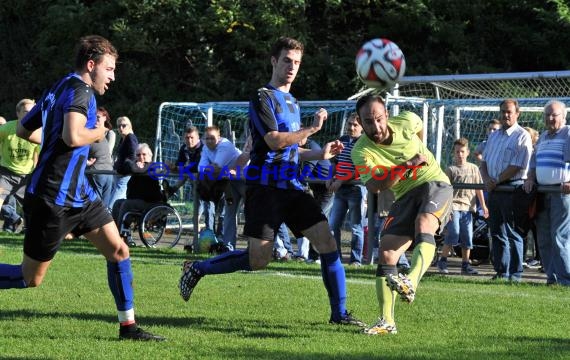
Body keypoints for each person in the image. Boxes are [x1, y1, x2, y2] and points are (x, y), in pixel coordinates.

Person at [179, 36, 364, 326]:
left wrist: (319, 153)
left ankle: (339, 314)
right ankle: (198, 268)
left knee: (327, 242)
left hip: (291, 187)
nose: (292, 67)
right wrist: (312, 128)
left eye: (297, 62)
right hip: (265, 188)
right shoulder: (262, 97)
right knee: (259, 259)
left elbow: (292, 149)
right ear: (274, 61)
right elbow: (274, 141)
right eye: (287, 61)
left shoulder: (293, 102)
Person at [0, 35, 163, 341]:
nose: (113, 77)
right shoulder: (80, 91)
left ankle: (128, 327)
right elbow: (74, 136)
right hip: (52, 197)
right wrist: (99, 131)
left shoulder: (58, 86)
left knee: (118, 250)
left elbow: (24, 129)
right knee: (30, 278)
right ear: (92, 65)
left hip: (82, 194)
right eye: (110, 69)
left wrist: (53, 141)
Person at [351, 95, 453, 335]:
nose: (376, 127)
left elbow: (419, 129)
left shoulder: (407, 120)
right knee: (386, 251)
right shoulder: (361, 151)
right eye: (369, 122)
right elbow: (376, 186)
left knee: (424, 222)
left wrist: (420, 153)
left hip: (434, 182)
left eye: (379, 119)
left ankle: (412, 281)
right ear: (360, 122)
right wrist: (407, 165)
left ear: (387, 115)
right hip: (404, 193)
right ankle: (387, 321)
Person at [480, 98, 533, 282]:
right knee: (496, 232)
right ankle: (502, 272)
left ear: (517, 113)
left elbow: (518, 165)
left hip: (513, 189)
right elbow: (483, 162)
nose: (506, 115)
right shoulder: (494, 136)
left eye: (509, 111)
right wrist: (487, 180)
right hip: (495, 190)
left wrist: (496, 180)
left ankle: (516, 274)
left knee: (512, 232)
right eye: (503, 111)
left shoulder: (522, 135)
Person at [523, 100, 570, 285]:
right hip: (542, 193)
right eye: (547, 115)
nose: (550, 118)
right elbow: (533, 162)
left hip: (562, 193)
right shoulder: (542, 136)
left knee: (560, 237)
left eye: (554, 115)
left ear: (563, 117)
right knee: (543, 238)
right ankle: (552, 278)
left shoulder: (568, 133)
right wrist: (530, 178)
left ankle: (566, 280)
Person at [437, 138, 488, 275]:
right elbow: (445, 190)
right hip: (453, 206)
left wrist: (483, 206)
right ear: (454, 153)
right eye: (457, 152)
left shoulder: (473, 168)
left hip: (467, 208)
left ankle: (465, 264)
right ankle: (442, 259)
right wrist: (446, 208)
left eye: (462, 151)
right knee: (454, 232)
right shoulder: (450, 170)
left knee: (467, 236)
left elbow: (479, 189)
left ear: (468, 152)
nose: (460, 154)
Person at [326, 113, 367, 266]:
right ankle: (335, 258)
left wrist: (341, 180)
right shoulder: (342, 140)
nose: (351, 127)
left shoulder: (364, 142)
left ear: (362, 127)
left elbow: (361, 169)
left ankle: (355, 260)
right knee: (333, 226)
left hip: (356, 190)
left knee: (356, 227)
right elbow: (334, 163)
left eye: (355, 125)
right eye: (349, 124)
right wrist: (330, 177)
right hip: (340, 191)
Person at [168, 125, 214, 250]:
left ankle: (212, 241)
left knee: (210, 211)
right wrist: (173, 167)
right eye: (187, 138)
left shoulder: (204, 149)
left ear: (198, 138)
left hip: (210, 185)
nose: (189, 140)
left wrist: (178, 168)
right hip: (196, 184)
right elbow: (180, 165)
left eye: (192, 137)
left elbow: (195, 168)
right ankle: (198, 242)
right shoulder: (184, 148)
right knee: (196, 215)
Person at [112, 143, 165, 246]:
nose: (141, 157)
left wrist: (139, 168)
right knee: (117, 203)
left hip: (149, 202)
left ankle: (120, 236)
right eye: (138, 155)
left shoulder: (153, 166)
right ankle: (113, 233)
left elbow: (143, 169)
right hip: (136, 200)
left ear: (150, 156)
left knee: (126, 204)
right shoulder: (134, 165)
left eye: (144, 154)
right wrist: (133, 165)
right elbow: (121, 167)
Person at [0, 98, 40, 233]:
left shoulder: (38, 131)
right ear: (18, 113)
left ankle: (30, 230)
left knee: (32, 207)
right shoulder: (7, 128)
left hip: (27, 176)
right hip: (6, 174)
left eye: (32, 112)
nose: (29, 114)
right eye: (26, 112)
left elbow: (39, 156)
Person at [198, 125, 242, 243]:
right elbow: (201, 168)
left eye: (212, 138)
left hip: (245, 178)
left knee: (253, 211)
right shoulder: (206, 148)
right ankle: (228, 245)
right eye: (207, 138)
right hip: (229, 181)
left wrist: (213, 168)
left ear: (219, 137)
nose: (209, 141)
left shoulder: (225, 146)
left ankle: (281, 248)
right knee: (228, 213)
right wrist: (213, 168)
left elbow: (216, 167)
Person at [86, 106, 115, 208]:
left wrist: (86, 162)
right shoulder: (105, 132)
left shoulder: (105, 133)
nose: (95, 120)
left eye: (98, 117)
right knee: (102, 206)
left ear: (105, 118)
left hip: (101, 171)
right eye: (93, 117)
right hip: (106, 171)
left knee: (97, 204)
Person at [108, 115, 138, 211]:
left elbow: (133, 156)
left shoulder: (130, 138)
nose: (121, 128)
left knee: (111, 205)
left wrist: (124, 167)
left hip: (125, 175)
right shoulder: (123, 138)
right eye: (119, 126)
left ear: (129, 126)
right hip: (119, 174)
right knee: (119, 204)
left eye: (123, 125)